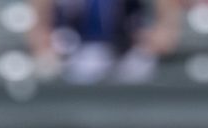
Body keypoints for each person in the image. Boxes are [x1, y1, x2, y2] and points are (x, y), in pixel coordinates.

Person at [28, 0, 183, 84]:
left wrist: (162, 33)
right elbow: (39, 30)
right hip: (74, 53)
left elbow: (166, 34)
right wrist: (43, 40)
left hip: (131, 53)